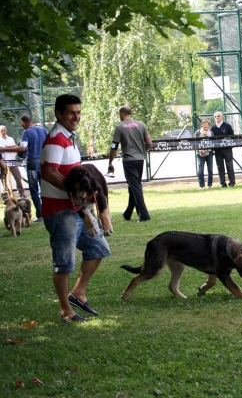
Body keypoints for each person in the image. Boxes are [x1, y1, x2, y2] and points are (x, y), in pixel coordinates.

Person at [41, 94, 111, 322]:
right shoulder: (55, 140)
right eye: (71, 112)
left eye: (79, 112)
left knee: (99, 248)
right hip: (60, 212)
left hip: (75, 209)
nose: (76, 117)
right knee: (64, 262)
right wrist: (75, 196)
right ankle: (66, 312)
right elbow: (50, 173)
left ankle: (78, 293)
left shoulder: (68, 137)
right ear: (59, 114)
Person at [108, 106, 152, 222]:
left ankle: (144, 214)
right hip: (140, 159)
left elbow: (114, 147)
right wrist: (143, 151)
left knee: (135, 186)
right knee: (133, 186)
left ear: (122, 113)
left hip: (129, 160)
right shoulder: (141, 125)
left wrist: (110, 162)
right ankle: (128, 213)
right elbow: (149, 142)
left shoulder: (120, 128)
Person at [0, 116, 48, 220]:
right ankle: (49, 212)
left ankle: (40, 215)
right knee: (45, 189)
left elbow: (22, 147)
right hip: (44, 163)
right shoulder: (43, 130)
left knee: (34, 189)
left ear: (23, 123)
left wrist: (3, 150)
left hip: (32, 165)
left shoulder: (27, 132)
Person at [211, 111, 236, 187]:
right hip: (218, 150)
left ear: (221, 117)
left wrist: (230, 146)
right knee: (220, 166)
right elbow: (211, 139)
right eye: (215, 116)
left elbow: (232, 136)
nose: (217, 118)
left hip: (227, 149)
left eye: (218, 116)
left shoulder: (227, 126)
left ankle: (232, 182)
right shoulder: (213, 128)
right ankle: (222, 183)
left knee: (229, 165)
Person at [0, 125, 26, 198]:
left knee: (18, 177)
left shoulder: (10, 139)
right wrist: (10, 147)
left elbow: (15, 146)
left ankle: (21, 194)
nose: (3, 132)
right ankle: (6, 194)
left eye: (4, 130)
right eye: (2, 130)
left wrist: (5, 148)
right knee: (4, 179)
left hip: (12, 161)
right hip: (3, 162)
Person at [195, 119, 214, 189]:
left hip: (209, 152)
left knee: (210, 169)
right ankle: (202, 185)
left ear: (209, 125)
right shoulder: (197, 132)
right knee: (200, 169)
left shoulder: (211, 133)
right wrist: (202, 135)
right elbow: (195, 141)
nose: (205, 126)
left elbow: (213, 142)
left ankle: (210, 184)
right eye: (204, 125)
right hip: (200, 152)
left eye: (206, 125)